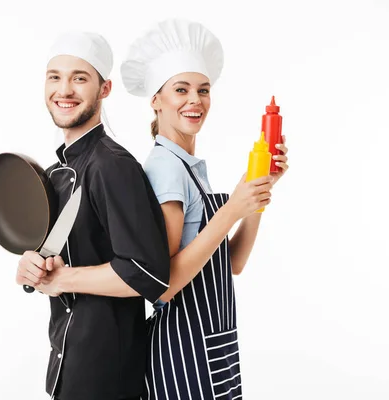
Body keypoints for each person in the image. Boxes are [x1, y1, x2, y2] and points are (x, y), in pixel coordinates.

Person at [120, 19, 290, 399]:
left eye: (203, 90)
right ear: (156, 100)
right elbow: (163, 284)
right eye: (181, 89)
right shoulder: (165, 167)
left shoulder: (189, 166)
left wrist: (256, 194)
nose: (195, 100)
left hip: (215, 345)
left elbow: (232, 263)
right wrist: (231, 209)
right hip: (183, 353)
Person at [15, 31, 171, 400]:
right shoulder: (55, 174)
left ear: (104, 89)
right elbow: (52, 267)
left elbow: (146, 273)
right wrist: (31, 270)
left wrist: (63, 280)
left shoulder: (111, 166)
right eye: (55, 76)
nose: (64, 89)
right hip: (66, 364)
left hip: (108, 375)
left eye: (79, 78)